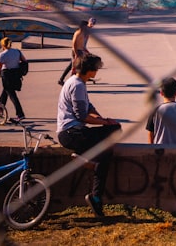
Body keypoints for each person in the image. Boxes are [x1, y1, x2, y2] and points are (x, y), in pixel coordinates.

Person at [57, 53, 122, 217]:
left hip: (72, 132)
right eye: (96, 68)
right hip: (72, 133)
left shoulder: (76, 81)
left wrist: (103, 120)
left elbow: (89, 107)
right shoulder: (78, 85)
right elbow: (81, 116)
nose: (97, 71)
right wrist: (106, 123)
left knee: (105, 152)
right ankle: (95, 195)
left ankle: (89, 162)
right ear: (90, 70)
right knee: (114, 133)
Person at [0, 36, 26, 122]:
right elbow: (24, 61)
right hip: (16, 75)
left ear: (2, 45)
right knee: (5, 92)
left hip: (6, 76)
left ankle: (20, 114)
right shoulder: (17, 51)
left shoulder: (2, 55)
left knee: (12, 95)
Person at [58, 18, 95, 85]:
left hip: (80, 51)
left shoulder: (83, 33)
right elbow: (74, 44)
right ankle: (70, 83)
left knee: (73, 66)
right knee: (74, 67)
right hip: (76, 51)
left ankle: (62, 80)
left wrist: (86, 51)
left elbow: (82, 44)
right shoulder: (78, 33)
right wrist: (76, 53)